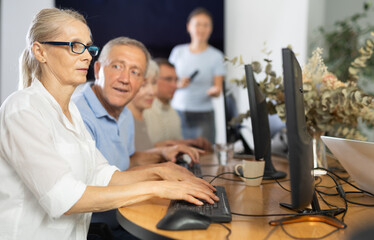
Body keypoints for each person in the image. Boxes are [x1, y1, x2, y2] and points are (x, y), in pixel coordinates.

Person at [0, 8, 218, 240]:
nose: (86, 56)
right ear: (40, 51)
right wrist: (160, 187)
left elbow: (102, 174)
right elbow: (63, 198)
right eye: (75, 46)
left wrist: (162, 171)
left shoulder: (69, 111)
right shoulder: (23, 109)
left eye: (88, 47)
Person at [169, 7, 226, 144]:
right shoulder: (178, 52)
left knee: (204, 154)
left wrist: (215, 91)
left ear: (211, 29)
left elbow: (218, 89)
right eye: (197, 24)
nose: (201, 29)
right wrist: (178, 84)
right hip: (176, 112)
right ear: (189, 27)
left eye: (206, 25)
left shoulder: (217, 56)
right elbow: (167, 83)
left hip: (203, 115)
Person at [143, 58, 212, 152]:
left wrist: (191, 143)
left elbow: (173, 145)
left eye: (176, 80)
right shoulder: (142, 111)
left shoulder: (174, 113)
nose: (175, 85)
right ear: (152, 80)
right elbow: (141, 150)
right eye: (168, 79)